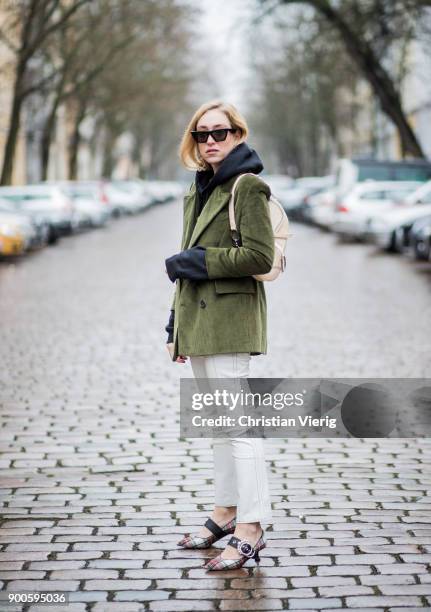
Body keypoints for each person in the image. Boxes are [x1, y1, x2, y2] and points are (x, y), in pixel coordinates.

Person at [164, 100, 273, 571]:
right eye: (202, 134)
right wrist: (175, 326)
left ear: (238, 134)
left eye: (220, 133)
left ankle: (252, 525)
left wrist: (200, 262)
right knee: (217, 429)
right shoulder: (197, 189)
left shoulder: (248, 187)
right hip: (199, 321)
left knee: (240, 429)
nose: (211, 141)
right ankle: (226, 511)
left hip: (229, 320)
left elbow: (259, 257)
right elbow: (187, 261)